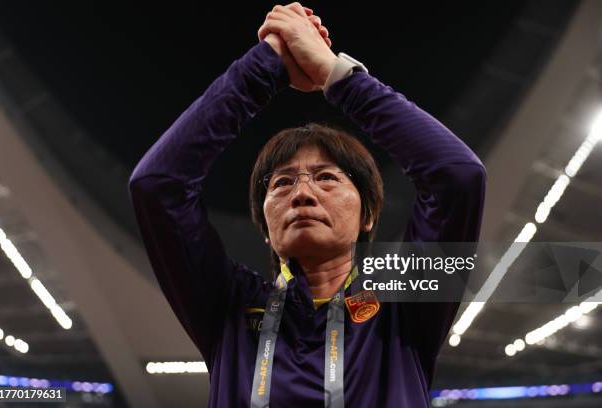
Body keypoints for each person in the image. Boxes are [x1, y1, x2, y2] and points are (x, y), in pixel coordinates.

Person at [128, 3, 486, 407]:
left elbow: (458, 176)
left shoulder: (403, 305)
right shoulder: (227, 306)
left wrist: (337, 77)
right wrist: (262, 70)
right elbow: (156, 186)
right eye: (280, 183)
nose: (302, 193)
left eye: (327, 178)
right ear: (264, 226)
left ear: (368, 214)